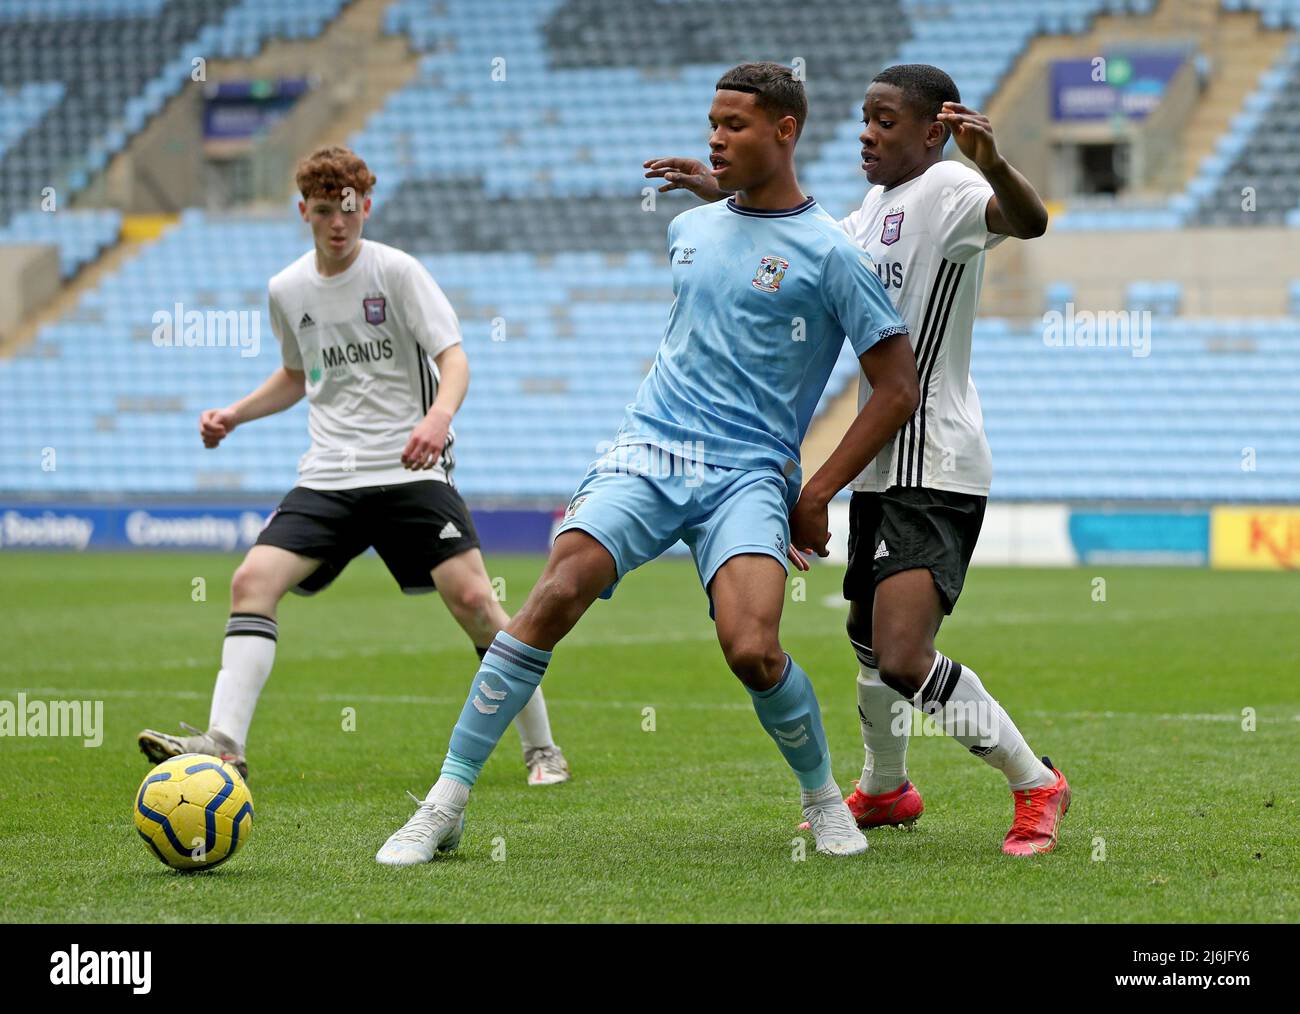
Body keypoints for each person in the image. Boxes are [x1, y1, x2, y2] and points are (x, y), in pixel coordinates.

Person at [374, 62, 919, 865]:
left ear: (785, 130)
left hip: (748, 472)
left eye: (734, 125)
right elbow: (740, 251)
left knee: (753, 649)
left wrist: (819, 488)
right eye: (713, 123)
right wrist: (719, 190)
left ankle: (823, 798)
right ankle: (446, 801)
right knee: (556, 590)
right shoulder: (690, 229)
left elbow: (896, 386)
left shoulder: (833, 254)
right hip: (650, 447)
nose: (715, 136)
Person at [645, 64, 1070, 856]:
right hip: (881, 465)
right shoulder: (872, 210)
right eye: (863, 118)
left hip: (934, 460)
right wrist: (718, 190)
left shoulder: (947, 190)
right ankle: (885, 788)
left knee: (906, 656)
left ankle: (1035, 783)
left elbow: (1030, 220)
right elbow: (807, 244)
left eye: (884, 120)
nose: (866, 135)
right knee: (871, 644)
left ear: (932, 131)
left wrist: (995, 163)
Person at [137, 146, 571, 788]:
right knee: (250, 582)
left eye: (348, 210)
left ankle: (542, 748)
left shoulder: (397, 273)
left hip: (410, 467)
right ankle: (224, 745)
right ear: (303, 212)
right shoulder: (287, 289)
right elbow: (297, 375)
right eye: (322, 212)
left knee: (477, 600)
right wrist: (234, 414)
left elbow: (454, 360)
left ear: (365, 207)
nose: (338, 224)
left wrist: (437, 421)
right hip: (329, 474)